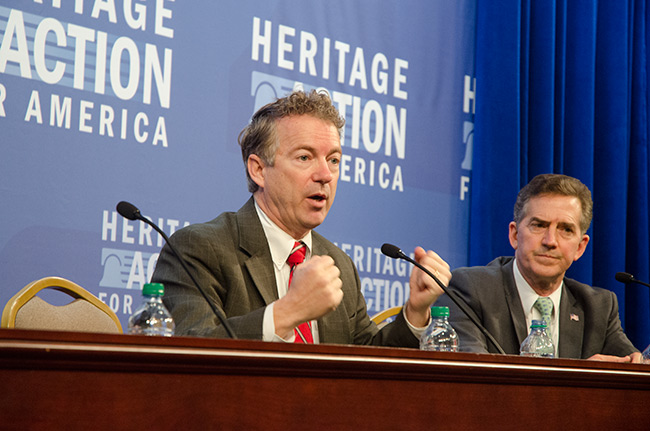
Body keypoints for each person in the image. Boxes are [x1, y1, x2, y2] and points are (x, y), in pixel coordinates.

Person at [151, 90, 450, 346]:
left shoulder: (338, 264)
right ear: (259, 170)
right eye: (305, 157)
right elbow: (189, 347)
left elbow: (367, 359)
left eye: (333, 160)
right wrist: (289, 312)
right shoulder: (200, 248)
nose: (324, 176)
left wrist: (415, 312)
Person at [438, 173, 641, 362]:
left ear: (580, 247)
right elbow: (476, 375)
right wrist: (579, 379)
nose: (550, 241)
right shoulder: (469, 290)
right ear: (515, 235)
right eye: (539, 225)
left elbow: (634, 368)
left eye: (566, 229)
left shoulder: (599, 308)